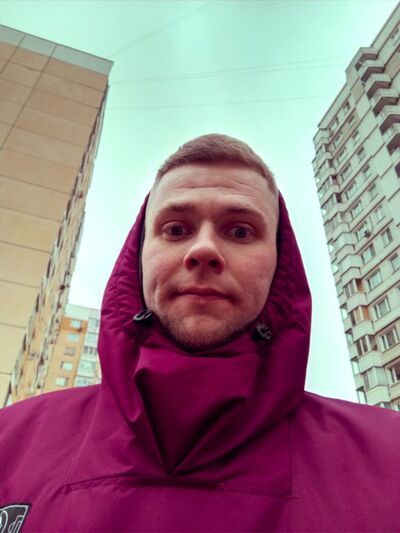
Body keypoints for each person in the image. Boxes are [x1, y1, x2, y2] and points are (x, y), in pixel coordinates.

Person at [0, 134, 399, 533]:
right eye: (176, 229)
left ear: (281, 263)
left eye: (240, 232)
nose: (204, 250)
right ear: (138, 257)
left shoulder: (389, 457)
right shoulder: (10, 443)